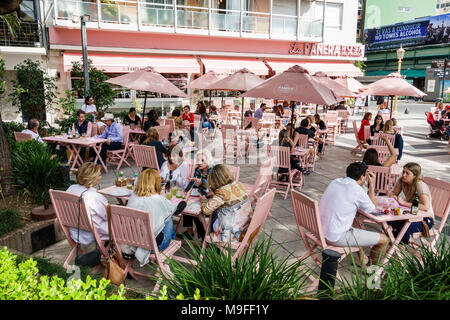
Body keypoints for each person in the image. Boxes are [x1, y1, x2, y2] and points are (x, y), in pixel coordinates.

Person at [319, 162, 389, 265]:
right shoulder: (357, 190)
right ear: (362, 177)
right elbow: (372, 209)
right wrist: (372, 185)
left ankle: (362, 258)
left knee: (355, 223)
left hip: (320, 231)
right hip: (335, 237)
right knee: (384, 239)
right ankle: (371, 269)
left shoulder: (335, 181)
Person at [121, 169, 187, 266]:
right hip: (154, 246)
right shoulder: (158, 199)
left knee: (164, 214)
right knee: (169, 214)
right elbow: (177, 210)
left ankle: (165, 257)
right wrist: (185, 201)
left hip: (134, 242)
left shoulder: (133, 197)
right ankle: (166, 260)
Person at [200, 164, 252, 243]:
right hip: (245, 227)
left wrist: (203, 200)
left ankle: (212, 247)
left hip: (230, 234)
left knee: (212, 214)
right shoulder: (238, 184)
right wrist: (215, 195)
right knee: (219, 209)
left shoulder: (222, 193)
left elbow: (206, 210)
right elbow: (230, 198)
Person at [388, 163, 434, 244]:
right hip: (409, 215)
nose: (403, 175)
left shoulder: (420, 185)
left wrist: (404, 203)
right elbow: (393, 193)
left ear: (415, 176)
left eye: (407, 173)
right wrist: (393, 196)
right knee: (387, 223)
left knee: (402, 229)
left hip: (424, 219)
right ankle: (398, 243)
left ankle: (398, 245)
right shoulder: (402, 181)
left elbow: (425, 207)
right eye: (403, 172)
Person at [66, 162, 109, 246]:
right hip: (92, 233)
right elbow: (108, 216)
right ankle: (115, 253)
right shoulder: (95, 197)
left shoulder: (71, 188)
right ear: (92, 178)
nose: (101, 177)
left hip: (74, 231)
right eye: (99, 175)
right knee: (122, 224)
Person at [180, 150, 213, 240]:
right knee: (186, 203)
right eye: (198, 160)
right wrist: (186, 190)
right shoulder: (198, 170)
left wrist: (201, 182)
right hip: (200, 195)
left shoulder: (212, 170)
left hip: (211, 198)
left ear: (208, 160)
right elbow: (193, 181)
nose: (199, 162)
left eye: (202, 160)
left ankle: (203, 237)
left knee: (197, 212)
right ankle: (189, 230)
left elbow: (211, 186)